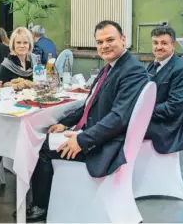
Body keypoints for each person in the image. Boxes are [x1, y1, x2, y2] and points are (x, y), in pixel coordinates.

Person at [24, 20, 149, 221]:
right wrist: (65, 123)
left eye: (110, 40)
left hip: (106, 145)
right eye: (99, 42)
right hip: (97, 134)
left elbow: (118, 118)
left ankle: (41, 205)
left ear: (123, 39)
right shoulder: (112, 67)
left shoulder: (132, 71)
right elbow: (89, 104)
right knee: (47, 134)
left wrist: (82, 140)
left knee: (41, 145)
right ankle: (55, 195)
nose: (104, 46)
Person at [144, 25, 183, 154]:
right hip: (152, 119)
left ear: (173, 45)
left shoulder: (182, 70)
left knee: (117, 127)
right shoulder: (152, 65)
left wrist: (141, 112)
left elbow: (173, 108)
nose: (158, 47)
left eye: (164, 43)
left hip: (166, 128)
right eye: (155, 43)